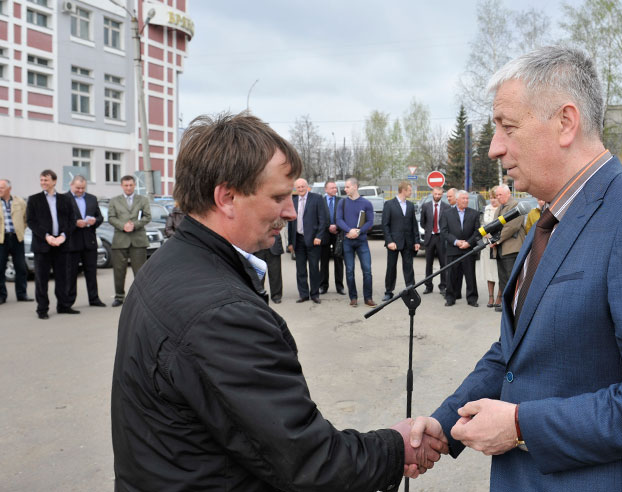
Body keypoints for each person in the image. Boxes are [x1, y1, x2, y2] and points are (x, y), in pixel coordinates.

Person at [409, 46, 622, 490]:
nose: (495, 148)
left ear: (565, 122)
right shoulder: (552, 216)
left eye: (508, 127)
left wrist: (521, 426)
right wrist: (445, 424)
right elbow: (517, 350)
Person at [110, 112, 446, 491]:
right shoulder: (223, 314)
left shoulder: (169, 263)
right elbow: (308, 462)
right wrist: (395, 447)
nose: (289, 211)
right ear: (227, 198)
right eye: (278, 197)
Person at [26, 169, 75, 319]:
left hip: (61, 245)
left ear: (54, 181)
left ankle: (63, 306)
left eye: (46, 180)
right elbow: (31, 222)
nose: (43, 183)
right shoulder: (34, 199)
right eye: (41, 180)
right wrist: (46, 236)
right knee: (42, 279)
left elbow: (71, 220)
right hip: (42, 245)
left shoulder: (65, 199)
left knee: (62, 278)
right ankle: (42, 309)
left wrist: (63, 236)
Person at [108, 175, 152, 308]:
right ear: (122, 186)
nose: (128, 188)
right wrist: (123, 226)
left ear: (134, 185)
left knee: (140, 272)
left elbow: (147, 217)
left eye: (131, 185)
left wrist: (134, 225)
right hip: (120, 240)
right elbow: (111, 218)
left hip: (138, 240)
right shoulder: (114, 201)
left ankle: (141, 297)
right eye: (126, 185)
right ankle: (119, 296)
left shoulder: (143, 200)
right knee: (119, 271)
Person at [65, 175, 106, 308]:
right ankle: (68, 301)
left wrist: (95, 221)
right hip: (72, 242)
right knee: (71, 274)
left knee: (91, 272)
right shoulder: (64, 199)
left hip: (89, 241)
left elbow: (100, 217)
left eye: (83, 188)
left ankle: (94, 299)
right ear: (71, 185)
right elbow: (61, 220)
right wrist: (75, 223)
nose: (80, 190)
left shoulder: (92, 198)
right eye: (78, 188)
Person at [337, 177, 376, 307]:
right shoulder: (342, 203)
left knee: (367, 270)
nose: (345, 189)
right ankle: (353, 297)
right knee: (349, 271)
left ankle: (368, 298)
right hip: (347, 241)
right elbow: (339, 220)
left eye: (347, 187)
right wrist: (350, 230)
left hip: (362, 241)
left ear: (355, 187)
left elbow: (370, 221)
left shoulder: (366, 203)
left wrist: (358, 232)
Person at [287, 178, 328, 304]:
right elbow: (291, 224)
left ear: (307, 187)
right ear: (295, 188)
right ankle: (303, 294)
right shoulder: (293, 201)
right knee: (300, 269)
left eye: (302, 186)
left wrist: (319, 236)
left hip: (313, 240)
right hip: (298, 240)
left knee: (314, 268)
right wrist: (290, 242)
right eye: (298, 187)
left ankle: (315, 294)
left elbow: (323, 220)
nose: (300, 189)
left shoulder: (317, 198)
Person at [381, 181, 420, 301]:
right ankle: (388, 291)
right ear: (403, 190)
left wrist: (416, 241)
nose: (411, 192)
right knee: (391, 267)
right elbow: (385, 225)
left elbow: (414, 225)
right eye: (410, 190)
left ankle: (411, 289)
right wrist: (389, 241)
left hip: (408, 242)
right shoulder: (389, 204)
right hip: (393, 242)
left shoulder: (410, 205)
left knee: (409, 267)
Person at [441, 190, 481, 307]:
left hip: (468, 249)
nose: (466, 200)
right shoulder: (447, 213)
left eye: (467, 198)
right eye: (463, 198)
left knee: (470, 275)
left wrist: (469, 243)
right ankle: (450, 298)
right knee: (451, 275)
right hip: (453, 249)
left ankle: (472, 299)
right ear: (457, 200)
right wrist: (456, 242)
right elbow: (444, 231)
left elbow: (477, 232)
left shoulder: (474, 214)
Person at [492, 184, 525, 312]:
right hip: (500, 249)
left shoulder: (515, 206)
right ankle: (507, 305)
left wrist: (496, 240)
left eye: (500, 194)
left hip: (511, 249)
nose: (498, 197)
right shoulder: (499, 208)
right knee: (503, 279)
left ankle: (515, 306)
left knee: (512, 279)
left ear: (508, 193)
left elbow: (512, 227)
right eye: (497, 195)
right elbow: (493, 226)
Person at [0, 179, 33, 304]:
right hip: (1, 239)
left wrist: (20, 230)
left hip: (16, 238)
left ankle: (22, 294)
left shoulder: (19, 202)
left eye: (2, 187)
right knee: (0, 268)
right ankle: (1, 295)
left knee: (20, 267)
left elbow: (26, 219)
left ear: (9, 189)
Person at [419, 186, 449, 296]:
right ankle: (428, 286)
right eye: (435, 194)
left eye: (439, 194)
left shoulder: (446, 207)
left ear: (442, 194)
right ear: (432, 193)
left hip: (441, 238)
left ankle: (443, 286)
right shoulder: (426, 206)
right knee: (429, 264)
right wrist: (429, 230)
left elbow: (447, 223)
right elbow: (423, 222)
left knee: (443, 264)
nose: (437, 196)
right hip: (430, 237)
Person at [319, 180, 345, 296]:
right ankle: (323, 286)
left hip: (338, 234)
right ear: (326, 189)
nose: (335, 189)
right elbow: (319, 217)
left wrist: (337, 226)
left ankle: (340, 287)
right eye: (332, 188)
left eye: (335, 187)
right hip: (324, 234)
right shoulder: (321, 201)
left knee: (338, 261)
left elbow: (344, 216)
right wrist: (328, 226)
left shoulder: (341, 201)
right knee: (324, 261)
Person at [479, 187, 501, 308]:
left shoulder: (502, 209)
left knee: (499, 272)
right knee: (489, 272)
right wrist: (485, 233)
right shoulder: (486, 209)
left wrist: (495, 238)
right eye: (491, 198)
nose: (493, 200)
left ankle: (499, 297)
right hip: (487, 244)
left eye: (495, 197)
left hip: (498, 244)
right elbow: (482, 224)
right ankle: (491, 297)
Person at [253, 226, 285, 304]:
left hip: (273, 245)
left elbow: (281, 224)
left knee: (275, 272)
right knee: (258, 274)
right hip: (258, 245)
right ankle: (259, 294)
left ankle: (276, 295)